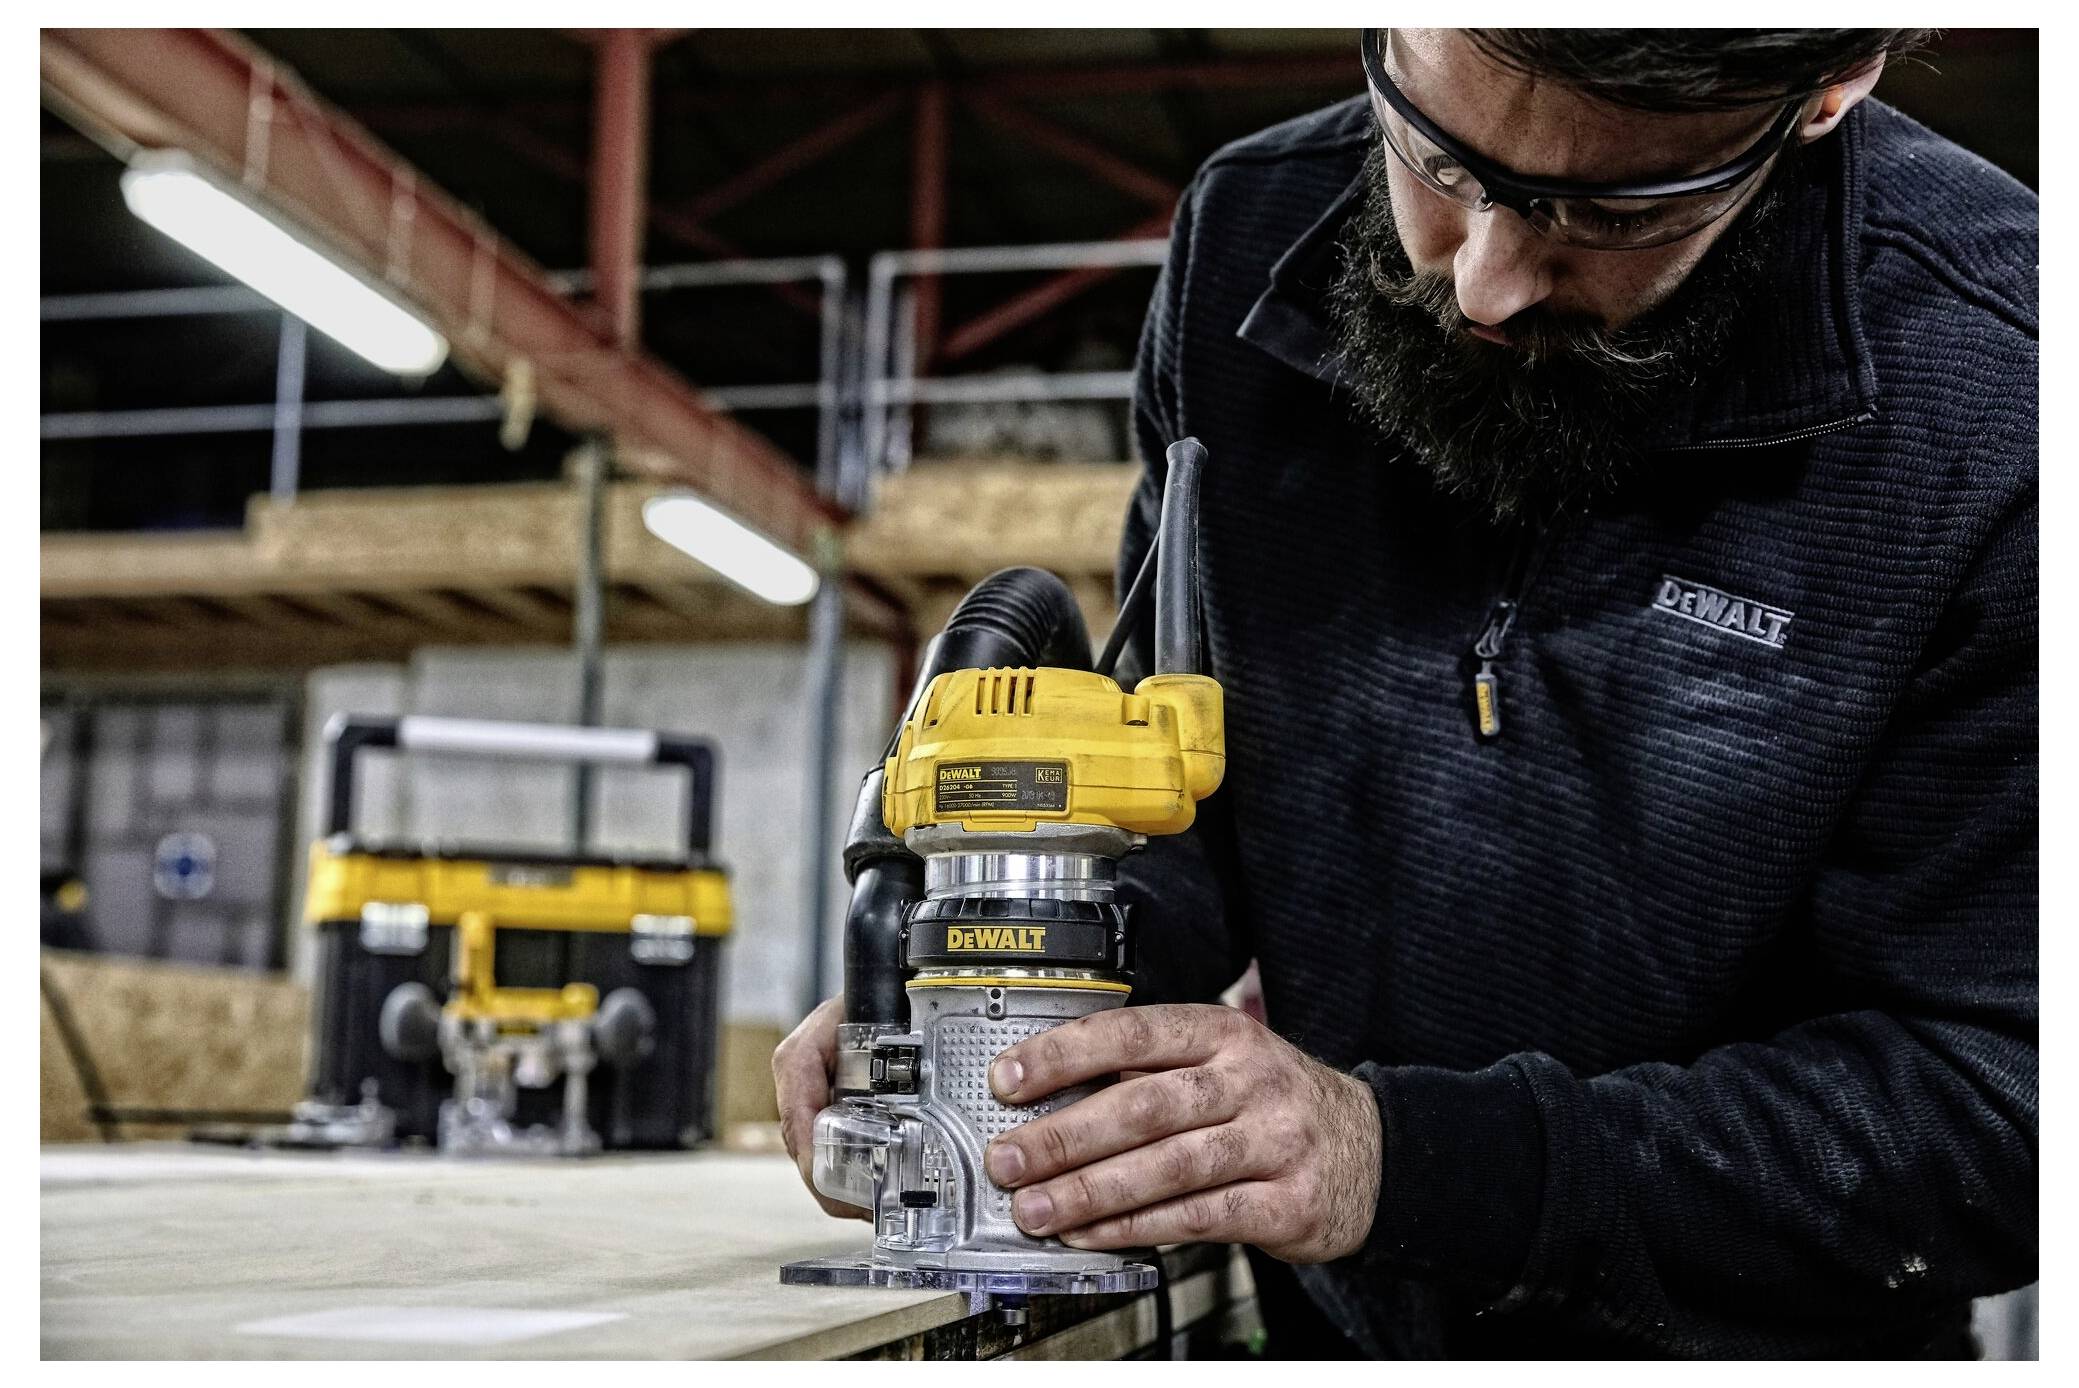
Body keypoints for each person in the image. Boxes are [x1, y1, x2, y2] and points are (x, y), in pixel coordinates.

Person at [775, 28, 2038, 1357]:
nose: (1483, 281)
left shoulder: (2003, 390)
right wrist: (1021, 983)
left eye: (1605, 210)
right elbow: (1184, 792)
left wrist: (1409, 1164)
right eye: (1436, 155)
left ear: (1827, 94)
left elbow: (2008, 1104)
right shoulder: (1246, 243)